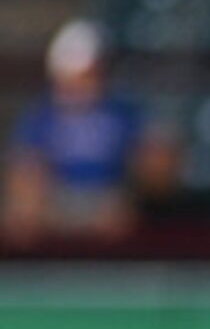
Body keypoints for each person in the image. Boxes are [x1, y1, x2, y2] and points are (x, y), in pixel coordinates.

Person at [5, 22, 169, 246]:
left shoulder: (124, 111)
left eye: (89, 75)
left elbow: (156, 173)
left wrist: (131, 192)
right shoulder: (40, 116)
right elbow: (25, 175)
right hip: (57, 205)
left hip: (110, 202)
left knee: (117, 216)